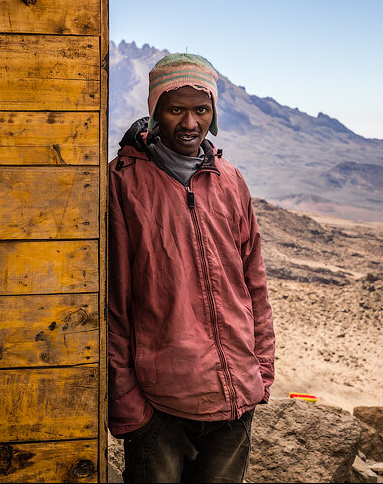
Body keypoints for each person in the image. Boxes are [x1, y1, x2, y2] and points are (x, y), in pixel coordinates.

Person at [108, 53, 275, 483]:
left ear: (214, 113)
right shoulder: (123, 182)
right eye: (176, 109)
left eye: (201, 110)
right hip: (160, 405)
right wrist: (128, 401)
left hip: (235, 397)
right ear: (155, 111)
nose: (189, 123)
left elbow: (254, 284)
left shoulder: (230, 180)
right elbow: (114, 300)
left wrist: (261, 370)